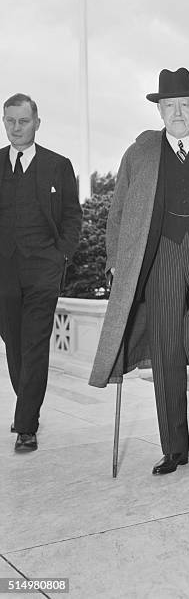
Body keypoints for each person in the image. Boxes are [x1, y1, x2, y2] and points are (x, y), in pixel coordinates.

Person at [89, 68, 189, 475]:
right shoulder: (140, 153)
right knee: (166, 353)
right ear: (159, 110)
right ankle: (174, 448)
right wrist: (115, 261)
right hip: (161, 256)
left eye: (184, 105)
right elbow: (120, 211)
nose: (177, 112)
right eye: (169, 106)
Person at [0, 93, 82, 452]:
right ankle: (27, 404)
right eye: (10, 121)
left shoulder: (58, 165)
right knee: (14, 345)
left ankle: (26, 425)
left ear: (37, 122)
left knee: (34, 345)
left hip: (43, 270)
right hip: (4, 271)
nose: (16, 128)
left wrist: (60, 256)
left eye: (23, 121)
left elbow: (71, 215)